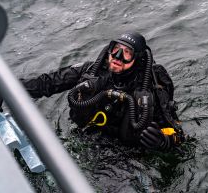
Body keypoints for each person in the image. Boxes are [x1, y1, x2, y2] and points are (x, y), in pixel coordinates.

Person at [20, 31, 186, 151]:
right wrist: (11, 89)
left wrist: (163, 141)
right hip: (86, 138)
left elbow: (178, 133)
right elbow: (48, 83)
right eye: (116, 49)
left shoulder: (150, 89)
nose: (118, 57)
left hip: (129, 155)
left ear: (139, 59)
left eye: (127, 53)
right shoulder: (92, 71)